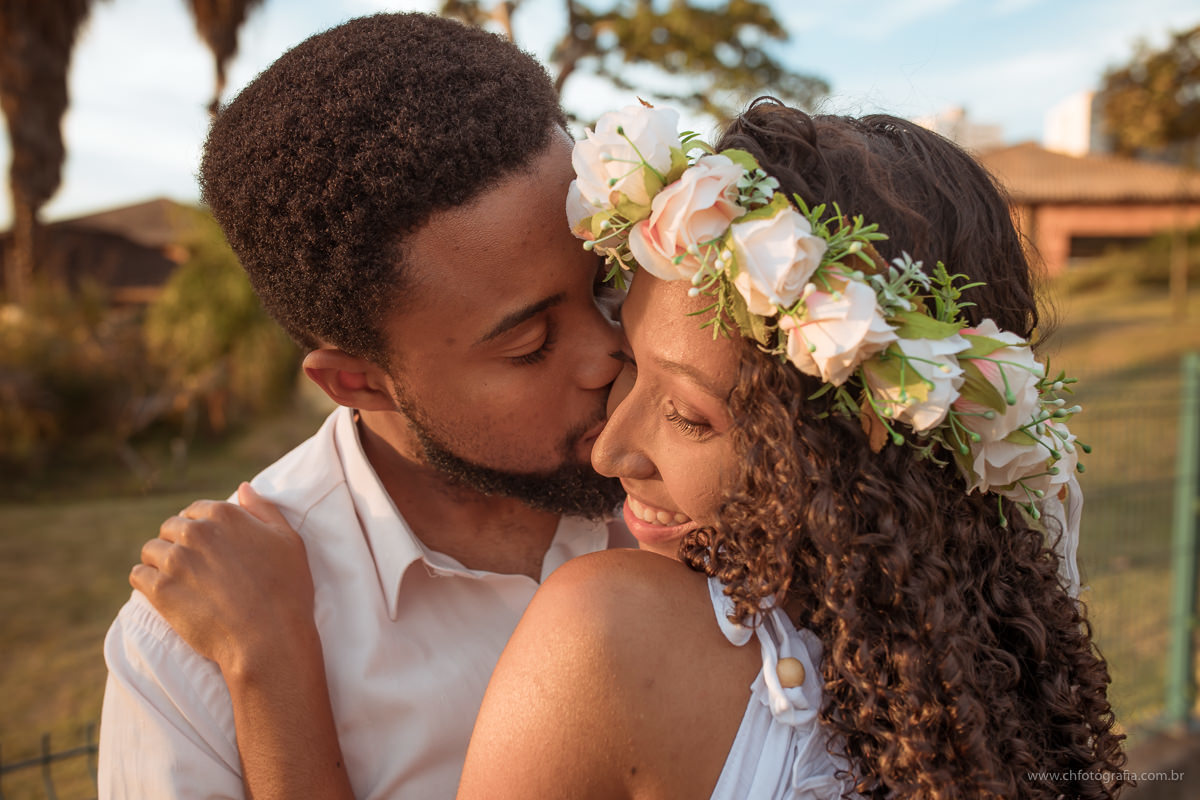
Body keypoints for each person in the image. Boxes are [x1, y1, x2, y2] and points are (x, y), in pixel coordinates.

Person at [134, 98, 1127, 799]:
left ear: (858, 438)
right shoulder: (994, 632)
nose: (610, 448)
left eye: (687, 411)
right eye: (533, 341)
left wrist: (274, 679)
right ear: (360, 379)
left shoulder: (615, 623)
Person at [97, 12, 636, 799]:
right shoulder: (189, 650)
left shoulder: (714, 478)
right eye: (529, 347)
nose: (609, 354)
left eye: (608, 282)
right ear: (360, 383)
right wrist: (271, 665)